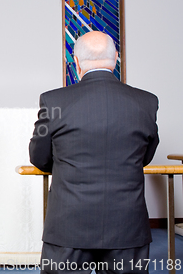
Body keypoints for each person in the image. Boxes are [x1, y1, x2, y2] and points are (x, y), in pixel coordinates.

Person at [29, 31, 159, 274]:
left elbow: (39, 157)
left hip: (68, 226)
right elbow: (145, 156)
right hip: (127, 227)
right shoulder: (146, 102)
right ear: (115, 59)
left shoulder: (53, 101)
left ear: (76, 62)